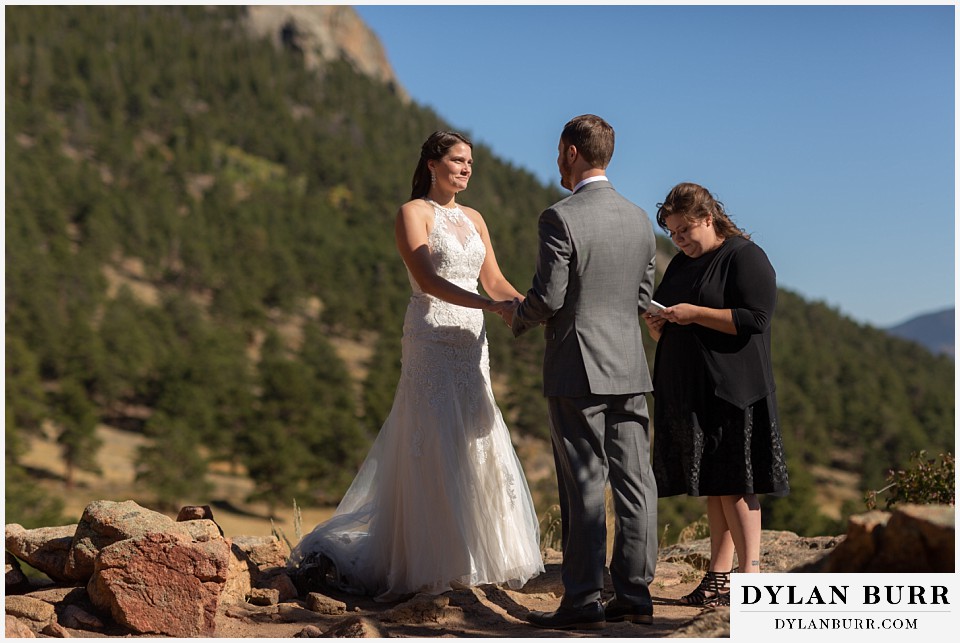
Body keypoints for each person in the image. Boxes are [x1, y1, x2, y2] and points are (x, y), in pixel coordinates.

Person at [288, 131, 544, 602]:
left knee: (475, 434)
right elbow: (427, 279)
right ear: (432, 163)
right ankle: (429, 562)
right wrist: (489, 306)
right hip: (431, 335)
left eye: (471, 162)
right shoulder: (412, 213)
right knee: (433, 433)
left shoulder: (475, 218)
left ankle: (474, 557)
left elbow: (494, 278)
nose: (466, 169)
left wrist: (531, 305)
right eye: (457, 160)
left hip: (472, 342)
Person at [505, 114, 659, 630]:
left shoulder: (560, 217)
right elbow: (642, 296)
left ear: (571, 152)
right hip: (631, 366)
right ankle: (636, 594)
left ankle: (582, 600)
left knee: (583, 484)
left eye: (558, 151)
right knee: (636, 482)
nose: (556, 160)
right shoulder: (640, 219)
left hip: (577, 366)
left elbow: (548, 297)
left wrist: (518, 316)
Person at [642, 181, 790, 606]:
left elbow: (756, 318)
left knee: (737, 483)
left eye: (685, 229)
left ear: (709, 218)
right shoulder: (682, 265)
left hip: (734, 390)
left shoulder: (745, 256)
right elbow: (675, 319)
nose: (679, 239)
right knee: (714, 484)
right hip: (695, 391)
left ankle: (751, 582)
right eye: (672, 233)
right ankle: (718, 578)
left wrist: (694, 314)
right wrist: (660, 327)